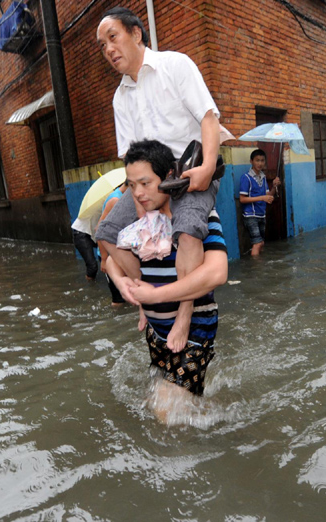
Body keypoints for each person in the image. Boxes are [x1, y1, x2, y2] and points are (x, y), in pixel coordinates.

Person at [95, 6, 222, 352]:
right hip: (147, 181)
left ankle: (184, 311)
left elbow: (208, 119)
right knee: (106, 233)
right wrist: (138, 200)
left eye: (113, 37)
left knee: (188, 229)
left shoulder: (175, 65)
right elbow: (129, 157)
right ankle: (145, 298)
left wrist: (207, 168)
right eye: (103, 45)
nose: (108, 49)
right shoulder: (120, 97)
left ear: (136, 33)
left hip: (189, 173)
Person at [104, 140, 227, 423]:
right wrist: (124, 285)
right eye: (131, 185)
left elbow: (217, 273)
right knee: (162, 403)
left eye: (145, 183)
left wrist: (154, 296)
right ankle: (212, 411)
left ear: (168, 176)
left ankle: (225, 422)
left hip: (195, 329)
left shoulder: (198, 217)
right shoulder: (142, 223)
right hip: (157, 333)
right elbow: (111, 261)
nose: (138, 193)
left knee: (165, 412)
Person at [239, 149, 281, 256]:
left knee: (261, 243)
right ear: (251, 161)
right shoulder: (246, 178)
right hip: (251, 215)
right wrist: (262, 198)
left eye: (262, 160)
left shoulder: (263, 177)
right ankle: (255, 265)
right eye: (257, 160)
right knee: (257, 244)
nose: (260, 163)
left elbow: (268, 195)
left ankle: (260, 264)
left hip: (261, 214)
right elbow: (242, 199)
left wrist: (274, 186)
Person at [97, 182, 127, 305]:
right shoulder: (115, 200)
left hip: (118, 251)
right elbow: (99, 229)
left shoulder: (121, 198)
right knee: (118, 299)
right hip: (109, 253)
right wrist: (104, 258)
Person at [71, 209, 103, 283]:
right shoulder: (105, 205)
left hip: (93, 234)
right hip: (81, 233)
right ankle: (91, 285)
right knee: (92, 267)